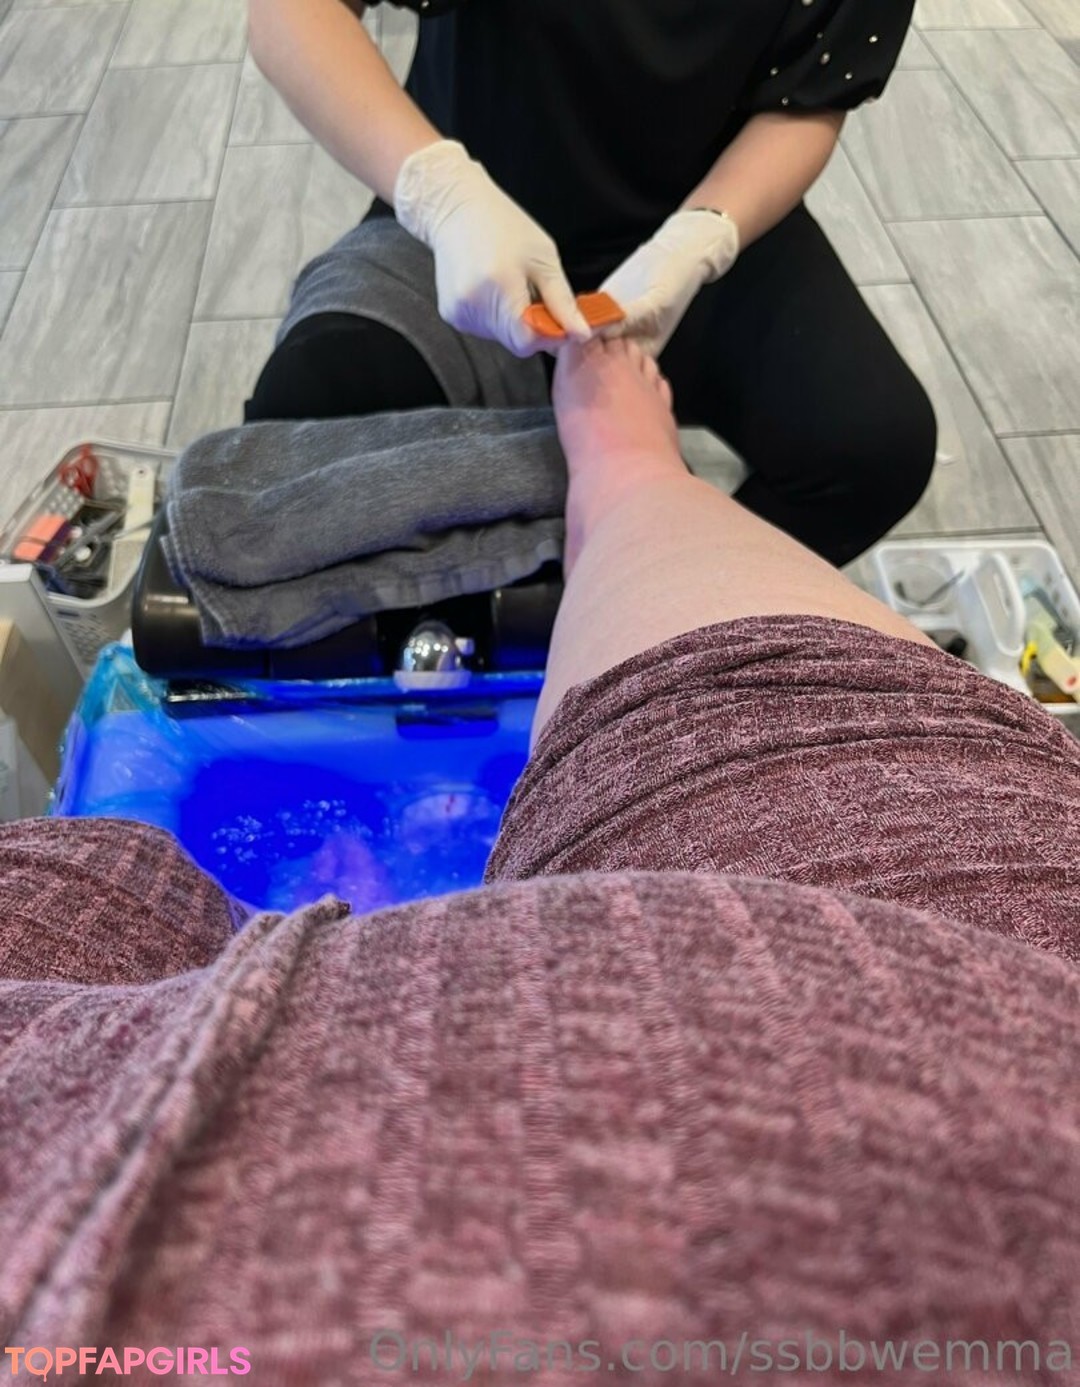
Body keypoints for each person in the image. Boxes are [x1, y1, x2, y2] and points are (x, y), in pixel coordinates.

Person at [3, 341, 1079, 1384]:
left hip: (55, 1105)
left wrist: (705, 243)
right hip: (951, 980)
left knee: (851, 445)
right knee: (585, 470)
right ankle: (623, 463)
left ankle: (617, 461)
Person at [243, 0, 938, 567]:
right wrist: (440, 192)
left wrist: (704, 237)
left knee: (878, 450)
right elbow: (290, 11)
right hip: (469, 214)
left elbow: (815, 86)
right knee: (304, 427)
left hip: (702, 213)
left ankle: (675, 613)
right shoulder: (452, 201)